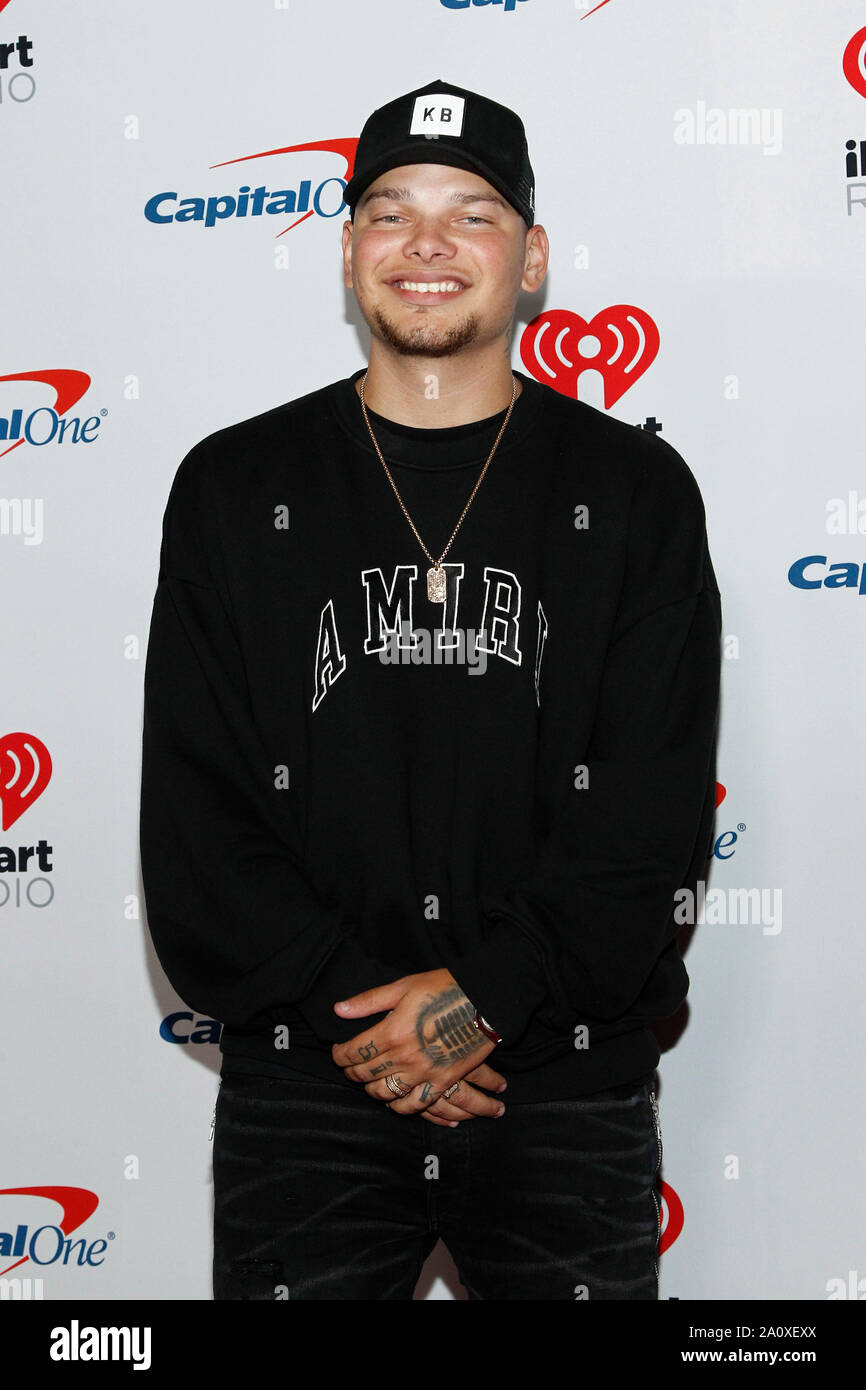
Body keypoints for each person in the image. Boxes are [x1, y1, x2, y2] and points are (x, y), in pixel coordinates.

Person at [139, 77, 722, 1301]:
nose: (427, 248)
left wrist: (485, 1001)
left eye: (471, 215)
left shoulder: (632, 493)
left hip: (559, 1083)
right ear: (348, 249)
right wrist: (375, 1023)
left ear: (532, 258)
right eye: (392, 212)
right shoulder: (235, 488)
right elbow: (197, 826)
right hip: (308, 1092)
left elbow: (649, 818)